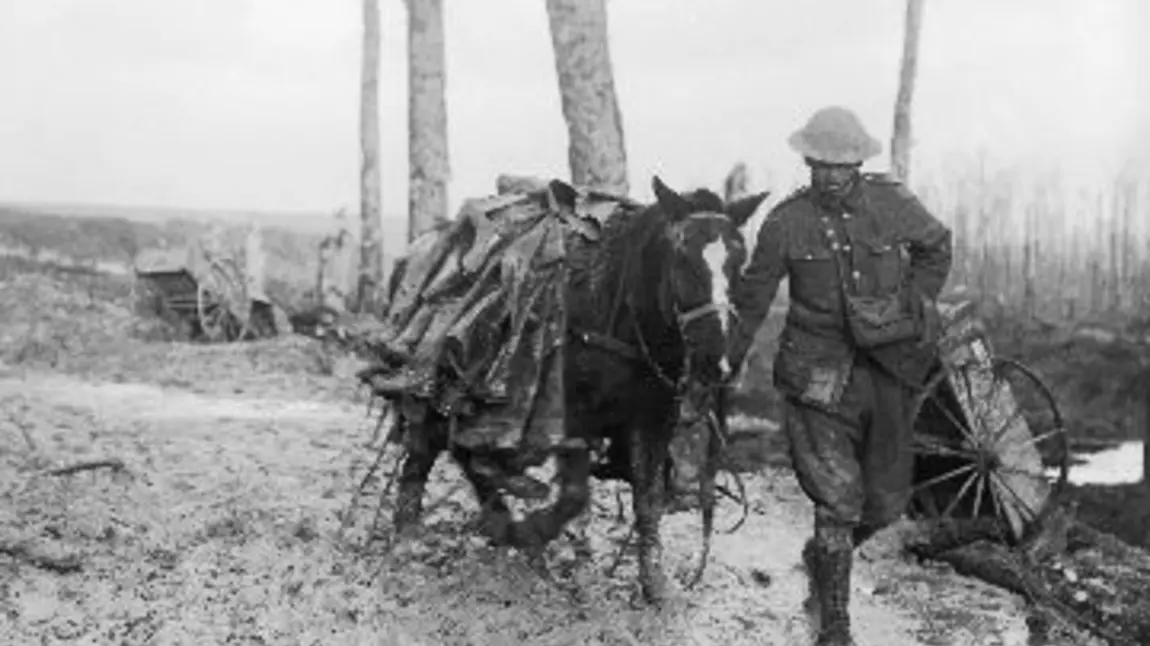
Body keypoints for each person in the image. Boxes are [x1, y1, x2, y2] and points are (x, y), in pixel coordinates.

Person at [729, 106, 953, 645]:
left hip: (890, 371)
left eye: (842, 164)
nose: (830, 175)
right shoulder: (785, 223)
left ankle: (824, 556)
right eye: (820, 164)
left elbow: (936, 246)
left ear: (858, 162)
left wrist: (912, 303)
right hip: (817, 379)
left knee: (885, 503)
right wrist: (723, 364)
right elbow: (752, 300)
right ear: (807, 162)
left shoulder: (890, 203)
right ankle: (835, 626)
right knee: (838, 500)